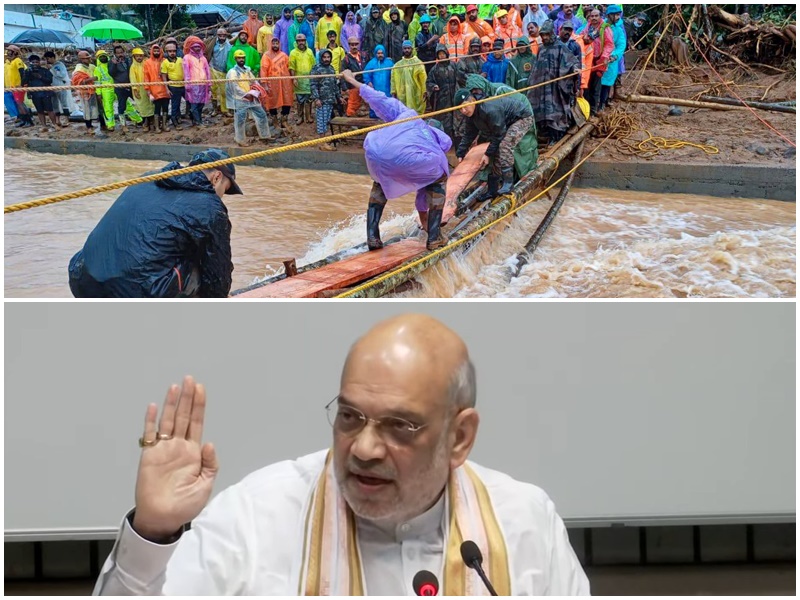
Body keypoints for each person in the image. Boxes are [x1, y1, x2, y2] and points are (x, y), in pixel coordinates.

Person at [93, 315, 590, 595]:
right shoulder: (254, 518)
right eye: (350, 417)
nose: (366, 449)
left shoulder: (525, 523)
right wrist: (154, 532)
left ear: (459, 438)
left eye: (400, 426)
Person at [68, 148, 240, 299]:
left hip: (82, 279)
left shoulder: (150, 177)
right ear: (217, 177)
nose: (221, 196)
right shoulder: (210, 205)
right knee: (204, 262)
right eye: (224, 190)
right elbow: (218, 271)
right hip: (135, 294)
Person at [340, 69, 452, 251]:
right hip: (411, 159)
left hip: (375, 150)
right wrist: (425, 220)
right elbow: (424, 196)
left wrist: (350, 79)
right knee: (439, 177)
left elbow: (378, 98)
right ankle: (434, 237)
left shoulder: (407, 114)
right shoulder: (437, 145)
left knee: (380, 181)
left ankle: (373, 237)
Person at [455, 73, 537, 196]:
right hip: (504, 122)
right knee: (497, 150)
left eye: (465, 107)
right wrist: (460, 152)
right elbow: (468, 135)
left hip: (522, 117)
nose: (464, 111)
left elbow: (499, 134)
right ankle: (492, 189)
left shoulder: (489, 109)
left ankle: (508, 183)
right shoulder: (471, 116)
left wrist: (487, 154)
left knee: (504, 145)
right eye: (460, 109)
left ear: (472, 100)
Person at [527, 20, 580, 143]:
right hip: (542, 87)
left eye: (547, 34)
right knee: (542, 110)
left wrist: (574, 69)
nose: (544, 37)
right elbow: (536, 66)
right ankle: (544, 133)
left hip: (556, 88)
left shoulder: (561, 47)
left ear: (551, 33)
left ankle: (556, 135)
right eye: (542, 35)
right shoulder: (541, 49)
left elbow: (572, 62)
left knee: (555, 111)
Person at [227, 49, 273, 147]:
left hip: (251, 97)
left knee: (261, 114)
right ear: (235, 59)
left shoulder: (247, 70)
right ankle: (240, 140)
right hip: (240, 99)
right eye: (239, 58)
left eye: (243, 57)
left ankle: (265, 135)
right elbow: (234, 86)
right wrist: (245, 94)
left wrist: (258, 90)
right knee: (240, 119)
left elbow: (253, 81)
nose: (241, 59)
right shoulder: (233, 72)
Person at [310, 49, 345, 151]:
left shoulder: (331, 69)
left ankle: (323, 141)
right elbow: (313, 85)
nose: (326, 59)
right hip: (321, 101)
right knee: (321, 121)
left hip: (330, 100)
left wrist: (339, 97)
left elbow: (335, 85)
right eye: (324, 57)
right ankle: (322, 143)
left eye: (328, 57)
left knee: (325, 121)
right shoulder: (316, 69)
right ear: (321, 58)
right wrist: (316, 99)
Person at [426, 43, 461, 146]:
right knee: (443, 120)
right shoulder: (434, 69)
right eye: (439, 54)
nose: (442, 56)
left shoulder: (453, 65)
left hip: (454, 96)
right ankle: (444, 142)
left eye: (443, 53)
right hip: (441, 99)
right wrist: (433, 86)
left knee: (456, 119)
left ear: (447, 54)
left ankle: (456, 142)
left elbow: (459, 78)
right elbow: (428, 82)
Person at [582, 8, 613, 115]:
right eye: (592, 16)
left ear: (600, 16)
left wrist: (604, 57)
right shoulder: (588, 27)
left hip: (599, 61)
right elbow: (581, 36)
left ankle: (593, 110)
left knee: (596, 87)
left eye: (596, 16)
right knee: (586, 86)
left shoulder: (605, 28)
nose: (594, 18)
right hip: (588, 60)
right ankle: (586, 110)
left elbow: (609, 44)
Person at [21, 54, 62, 132]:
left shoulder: (45, 70)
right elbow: (23, 83)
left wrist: (40, 77)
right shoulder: (27, 72)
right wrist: (27, 75)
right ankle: (44, 126)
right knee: (39, 111)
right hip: (35, 94)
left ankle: (54, 124)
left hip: (46, 93)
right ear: (30, 63)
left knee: (50, 109)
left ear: (39, 62)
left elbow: (50, 80)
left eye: (37, 62)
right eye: (33, 62)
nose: (35, 64)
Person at [261, 36, 294, 131]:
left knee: (287, 100)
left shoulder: (284, 55)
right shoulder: (266, 55)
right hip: (272, 83)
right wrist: (264, 83)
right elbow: (264, 70)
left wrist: (292, 80)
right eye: (273, 43)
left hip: (285, 83)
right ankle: (275, 121)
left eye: (277, 43)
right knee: (272, 102)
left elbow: (289, 67)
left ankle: (284, 121)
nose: (275, 45)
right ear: (270, 44)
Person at [108, 45, 142, 133]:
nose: (120, 54)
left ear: (124, 52)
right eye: (118, 53)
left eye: (121, 52)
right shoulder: (111, 62)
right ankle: (123, 125)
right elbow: (111, 73)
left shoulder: (128, 60)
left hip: (131, 86)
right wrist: (114, 65)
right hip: (120, 87)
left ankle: (144, 121)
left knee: (140, 101)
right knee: (122, 107)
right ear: (115, 54)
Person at [391, 40, 427, 115]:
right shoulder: (397, 65)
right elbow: (393, 80)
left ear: (412, 49)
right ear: (402, 49)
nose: (407, 50)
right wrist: (393, 91)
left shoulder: (418, 63)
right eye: (405, 48)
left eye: (408, 48)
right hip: (402, 95)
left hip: (416, 94)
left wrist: (425, 91)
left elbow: (424, 79)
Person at [182, 36, 211, 126]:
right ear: (191, 48)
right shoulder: (187, 58)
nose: (197, 48)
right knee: (194, 105)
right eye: (195, 47)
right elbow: (186, 72)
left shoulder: (203, 58)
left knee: (201, 104)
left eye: (199, 47)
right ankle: (198, 122)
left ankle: (197, 120)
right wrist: (187, 85)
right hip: (193, 85)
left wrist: (209, 83)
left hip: (203, 84)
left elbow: (207, 71)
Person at [600, 4, 626, 109]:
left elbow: (621, 45)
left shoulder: (618, 30)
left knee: (606, 84)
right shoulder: (601, 26)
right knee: (596, 83)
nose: (618, 17)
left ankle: (603, 103)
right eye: (616, 15)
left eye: (619, 15)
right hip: (598, 59)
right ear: (609, 15)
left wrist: (614, 55)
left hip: (610, 61)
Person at [288, 33, 317, 125]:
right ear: (296, 42)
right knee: (300, 100)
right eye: (299, 41)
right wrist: (294, 79)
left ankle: (308, 116)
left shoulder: (310, 52)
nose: (301, 42)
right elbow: (291, 67)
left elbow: (314, 65)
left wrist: (314, 77)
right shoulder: (293, 53)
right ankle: (300, 117)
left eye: (302, 41)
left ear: (305, 41)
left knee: (309, 99)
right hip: (299, 80)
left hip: (309, 80)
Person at [71, 50, 100, 135]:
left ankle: (101, 123)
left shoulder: (92, 66)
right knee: (87, 109)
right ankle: (89, 126)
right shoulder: (79, 69)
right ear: (81, 59)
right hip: (85, 92)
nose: (88, 59)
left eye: (89, 58)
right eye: (86, 58)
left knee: (95, 108)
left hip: (94, 89)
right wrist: (91, 79)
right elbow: (76, 81)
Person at [361, 45, 393, 119]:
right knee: (375, 106)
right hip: (375, 90)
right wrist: (368, 82)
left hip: (387, 90)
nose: (380, 55)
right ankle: (374, 123)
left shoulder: (389, 63)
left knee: (387, 106)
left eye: (382, 53)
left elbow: (395, 74)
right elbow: (365, 74)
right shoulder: (371, 63)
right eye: (378, 53)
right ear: (375, 54)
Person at [4, 45, 33, 127]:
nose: (8, 52)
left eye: (10, 51)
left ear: (14, 52)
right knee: (19, 104)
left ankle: (28, 121)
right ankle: (24, 120)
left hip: (18, 86)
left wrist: (21, 84)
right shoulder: (12, 61)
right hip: (13, 86)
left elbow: (22, 72)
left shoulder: (17, 60)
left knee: (20, 103)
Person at [129, 48, 155, 132]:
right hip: (139, 89)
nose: (139, 58)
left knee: (151, 105)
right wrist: (135, 90)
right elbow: (133, 79)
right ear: (134, 57)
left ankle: (152, 122)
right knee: (142, 107)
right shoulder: (133, 67)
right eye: (137, 56)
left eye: (141, 56)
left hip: (148, 87)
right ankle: (145, 123)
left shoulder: (146, 63)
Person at [160, 42, 185, 131]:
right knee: (175, 104)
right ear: (167, 52)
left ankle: (182, 117)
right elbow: (164, 76)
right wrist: (166, 89)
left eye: (174, 51)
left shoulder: (180, 60)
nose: (172, 53)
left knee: (189, 101)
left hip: (183, 84)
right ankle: (174, 122)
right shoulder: (165, 62)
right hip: (173, 86)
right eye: (170, 51)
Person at [43, 50, 71, 126]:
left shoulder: (60, 65)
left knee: (64, 103)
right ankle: (57, 120)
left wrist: (52, 69)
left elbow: (61, 75)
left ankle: (67, 119)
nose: (47, 61)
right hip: (52, 87)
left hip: (61, 87)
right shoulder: (49, 67)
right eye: (46, 59)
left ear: (52, 58)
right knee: (55, 105)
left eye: (48, 59)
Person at [209, 29, 232, 117]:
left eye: (224, 35)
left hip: (224, 71)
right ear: (217, 35)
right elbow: (208, 53)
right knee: (213, 90)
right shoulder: (213, 44)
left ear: (226, 35)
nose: (222, 36)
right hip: (214, 69)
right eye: (220, 35)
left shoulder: (229, 45)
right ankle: (215, 109)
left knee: (224, 92)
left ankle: (225, 110)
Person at [341, 37, 366, 116]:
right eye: (352, 45)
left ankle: (357, 117)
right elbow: (342, 74)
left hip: (362, 84)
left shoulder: (364, 55)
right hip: (352, 86)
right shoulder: (346, 59)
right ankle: (350, 121)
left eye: (356, 44)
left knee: (360, 103)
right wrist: (345, 88)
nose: (354, 46)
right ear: (349, 45)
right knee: (352, 105)